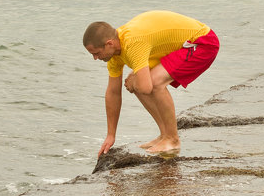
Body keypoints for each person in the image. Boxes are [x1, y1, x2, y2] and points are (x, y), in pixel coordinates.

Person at [83, 10, 220, 156]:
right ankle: (164, 134)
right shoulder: (115, 55)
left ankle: (172, 139)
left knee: (153, 83)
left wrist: (136, 77)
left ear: (109, 43)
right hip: (180, 46)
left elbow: (146, 87)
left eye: (96, 53)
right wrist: (111, 135)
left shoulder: (133, 43)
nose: (95, 58)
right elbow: (113, 93)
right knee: (135, 82)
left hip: (203, 42)